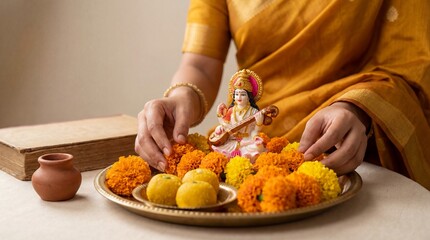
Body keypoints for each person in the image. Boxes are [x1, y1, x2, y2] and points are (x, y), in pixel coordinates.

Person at [135, 0, 430, 190]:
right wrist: (180, 97)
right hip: (254, 149)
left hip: (355, 151)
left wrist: (358, 109)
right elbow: (199, 64)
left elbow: (411, 62)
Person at [210, 69, 265, 162]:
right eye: (237, 94)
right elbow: (226, 126)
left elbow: (256, 130)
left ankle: (243, 156)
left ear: (249, 97)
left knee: (256, 147)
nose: (239, 97)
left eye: (243, 94)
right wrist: (220, 125)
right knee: (222, 146)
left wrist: (259, 123)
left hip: (247, 140)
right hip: (232, 141)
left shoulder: (254, 111)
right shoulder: (231, 110)